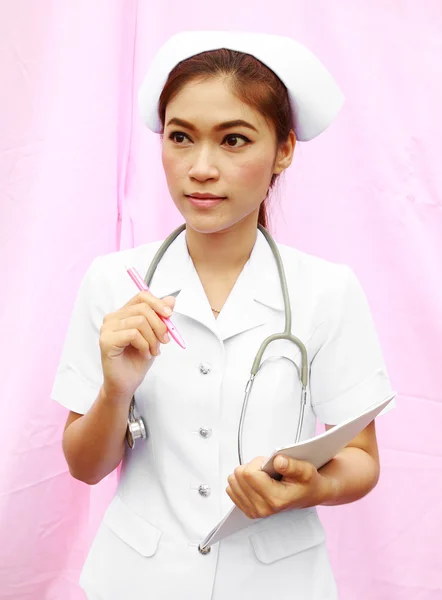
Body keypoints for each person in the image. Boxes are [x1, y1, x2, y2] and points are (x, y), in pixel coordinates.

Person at [51, 30, 395, 600]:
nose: (201, 168)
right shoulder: (112, 282)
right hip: (136, 579)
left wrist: (308, 487)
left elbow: (361, 458)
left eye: (233, 140)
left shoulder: (327, 290)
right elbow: (85, 467)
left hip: (278, 582)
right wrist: (115, 391)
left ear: (284, 149)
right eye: (181, 137)